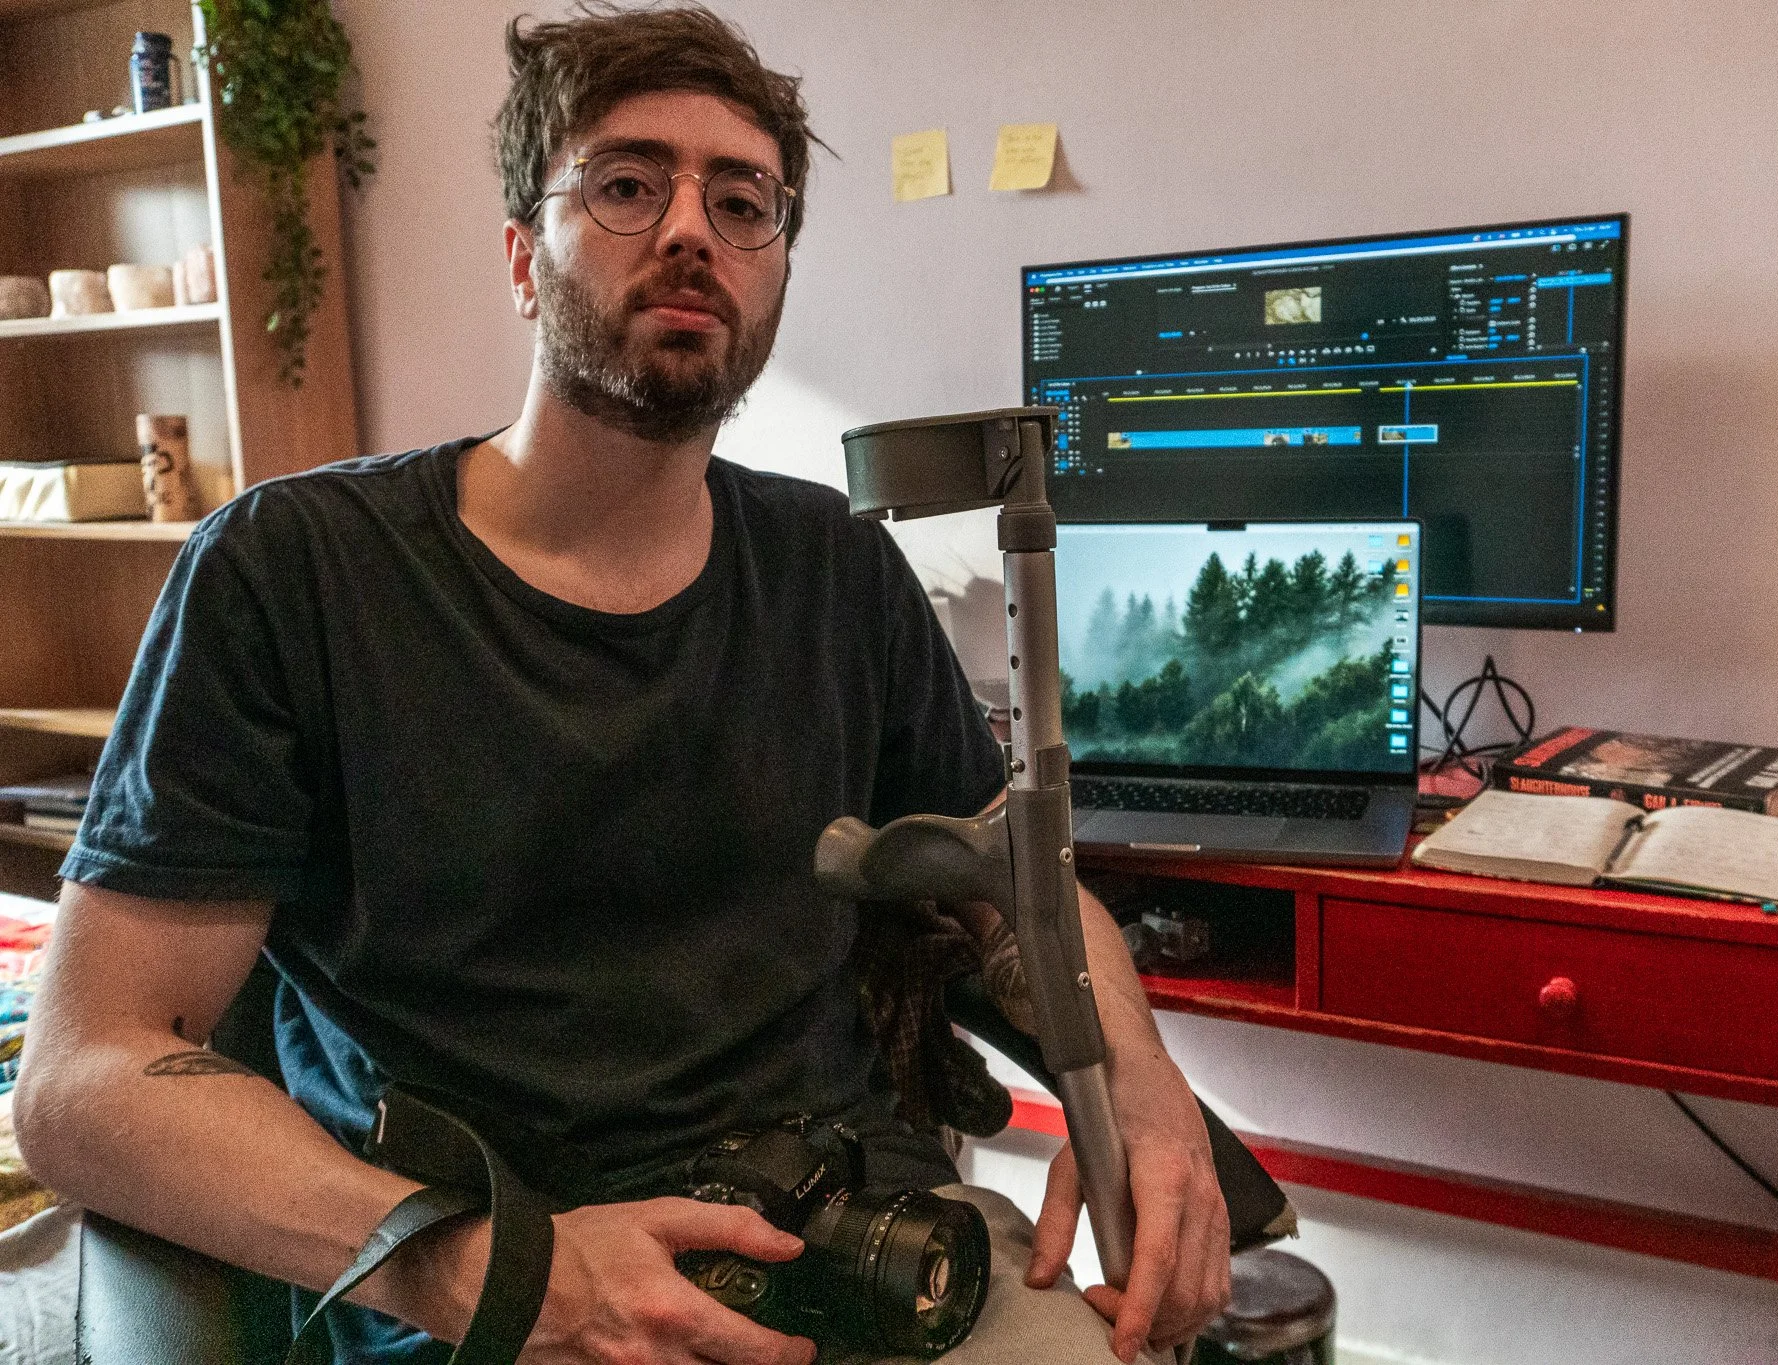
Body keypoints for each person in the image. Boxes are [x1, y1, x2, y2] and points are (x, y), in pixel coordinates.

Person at [14, 5, 1231, 1364]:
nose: (692, 230)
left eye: (743, 203)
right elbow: (82, 1083)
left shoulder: (835, 569)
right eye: (629, 185)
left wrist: (1145, 1081)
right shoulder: (293, 574)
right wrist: (484, 1273)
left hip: (852, 1254)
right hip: (497, 1294)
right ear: (521, 259)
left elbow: (1017, 884)